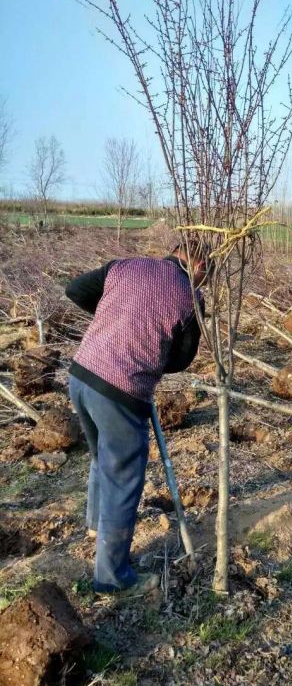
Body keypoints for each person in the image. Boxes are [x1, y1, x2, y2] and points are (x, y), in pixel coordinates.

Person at [65, 241, 209, 594]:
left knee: (103, 457)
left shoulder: (126, 266)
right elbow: (182, 359)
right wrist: (149, 346)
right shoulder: (191, 296)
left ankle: (96, 526)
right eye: (210, 271)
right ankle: (112, 579)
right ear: (201, 265)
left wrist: (116, 317)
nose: (208, 279)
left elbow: (75, 290)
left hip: (81, 375)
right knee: (124, 478)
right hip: (121, 391)